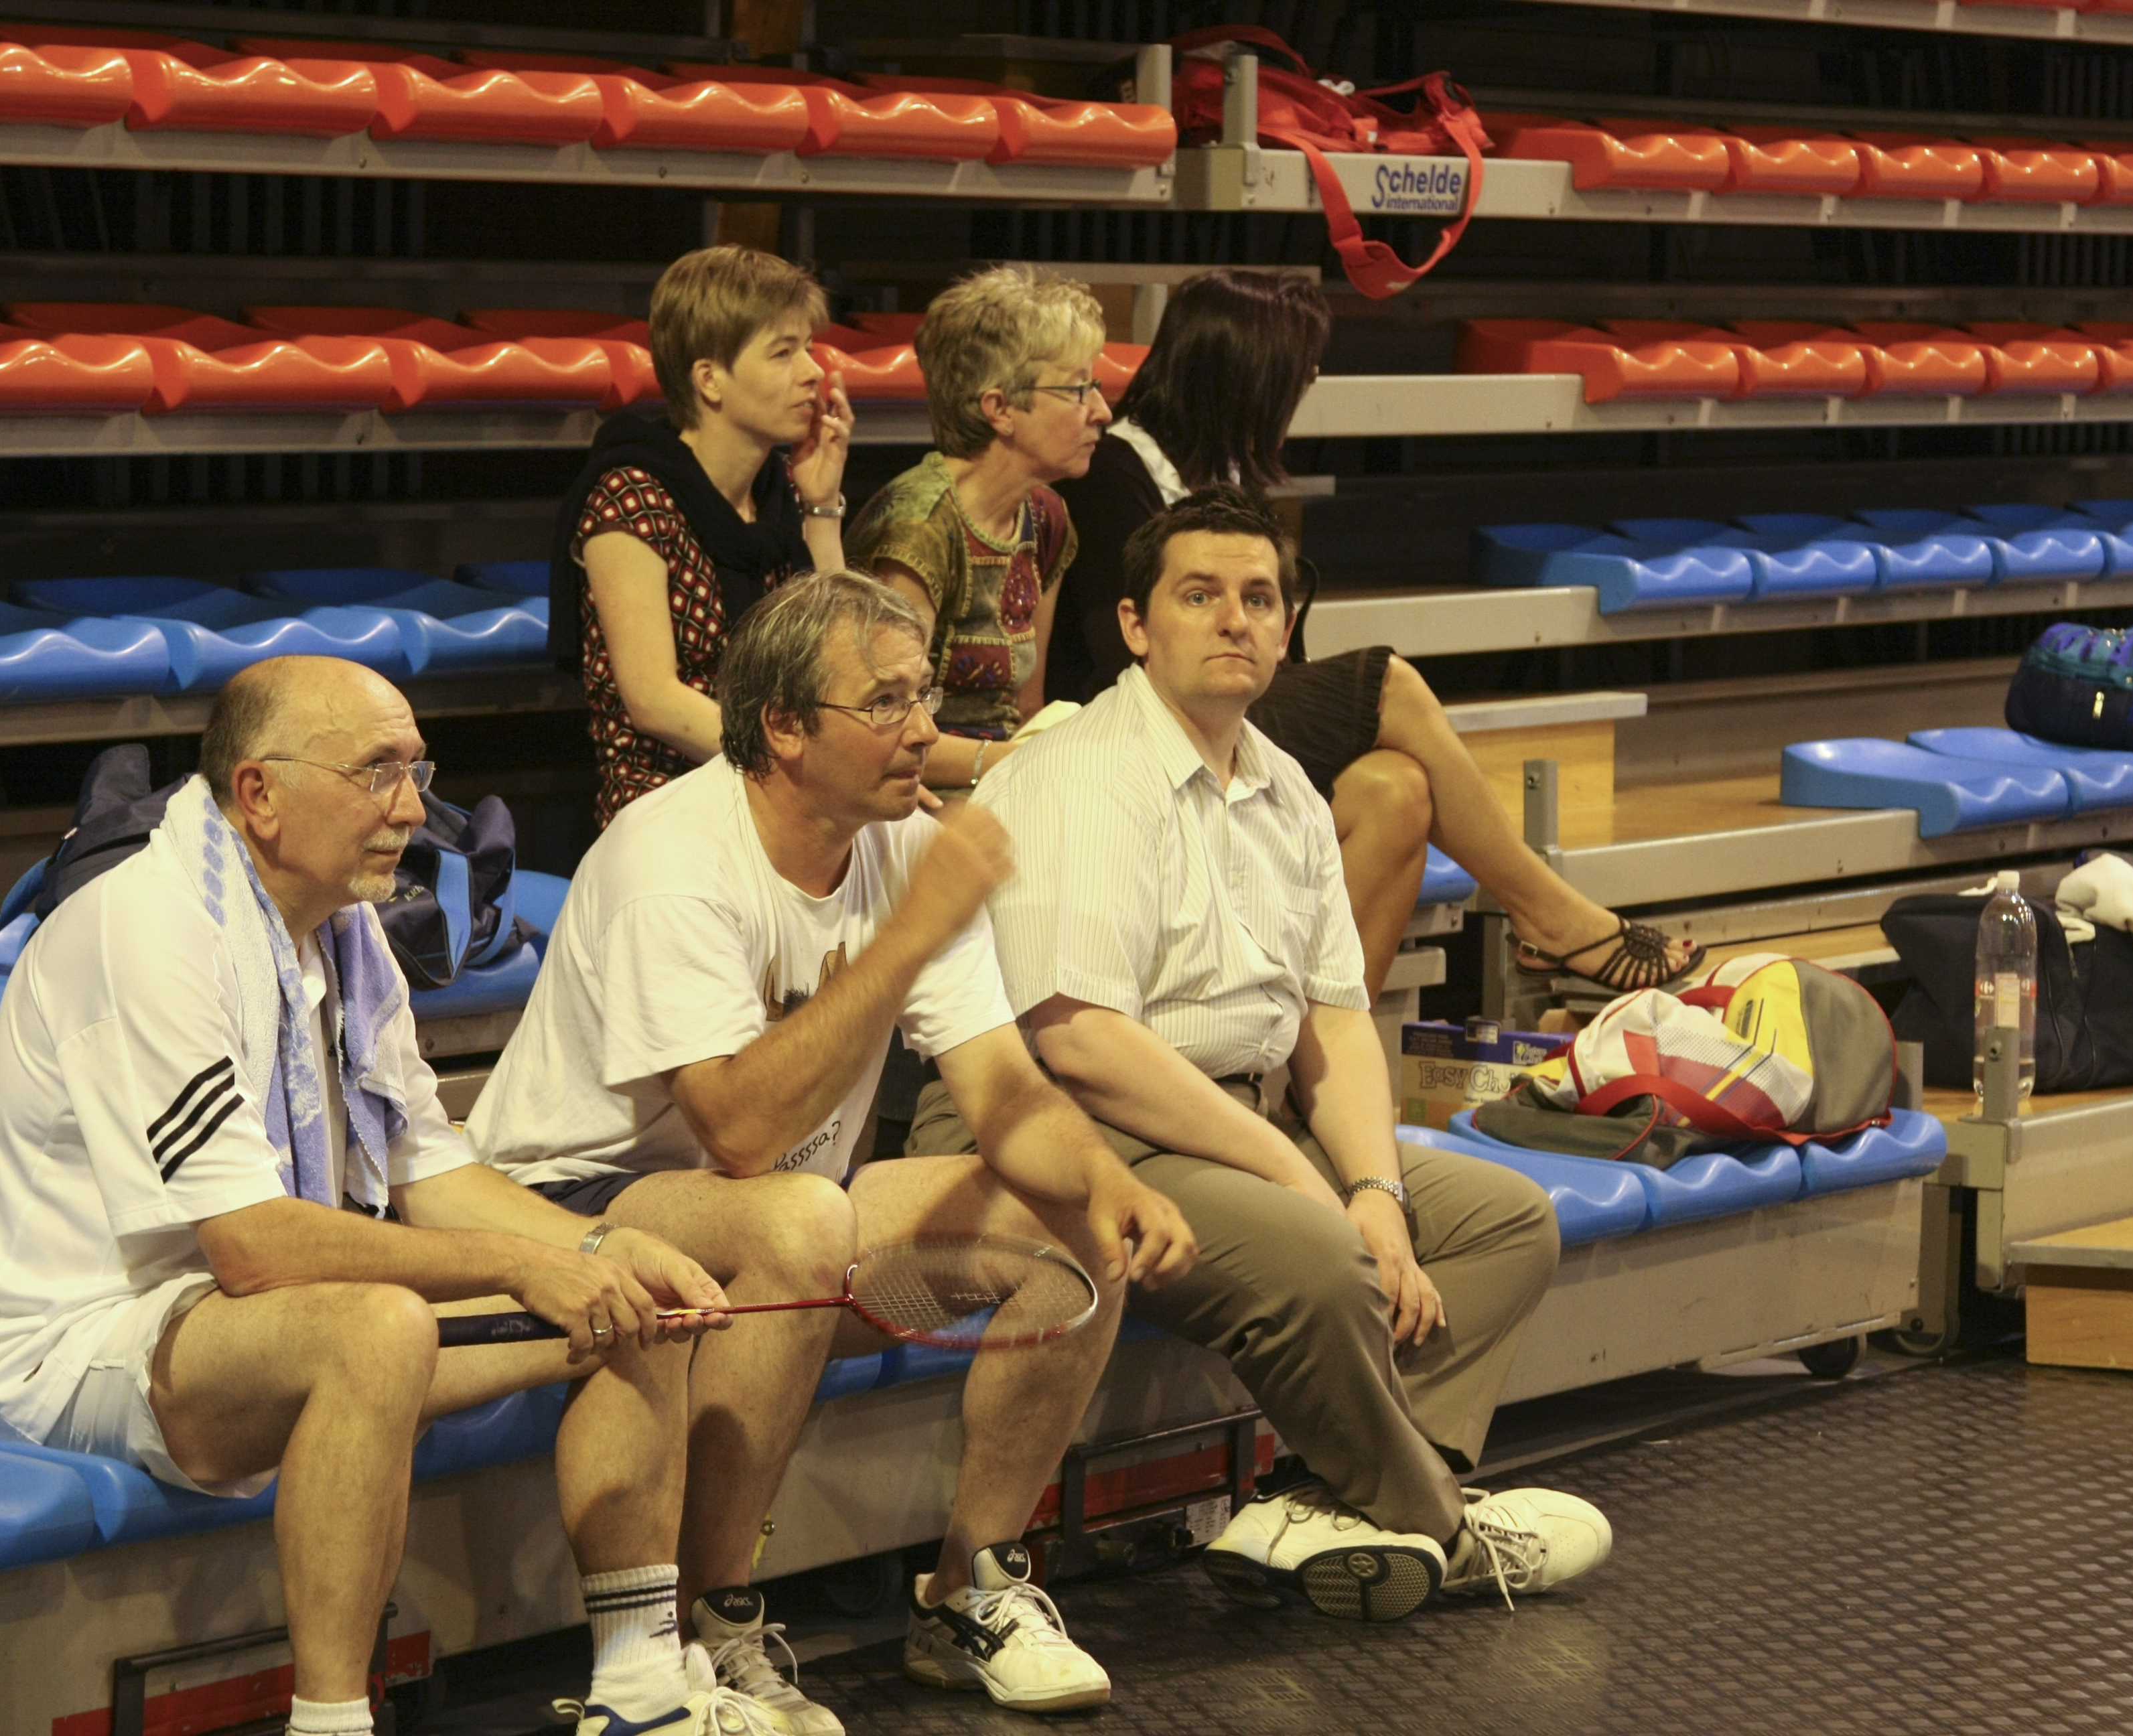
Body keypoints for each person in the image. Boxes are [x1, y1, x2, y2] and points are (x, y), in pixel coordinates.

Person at [0, 656, 764, 1736]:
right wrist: (527, 1266)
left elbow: (431, 1171)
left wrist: (595, 1246)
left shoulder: (344, 930)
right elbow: (253, 1249)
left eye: (417, 771)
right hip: (73, 1344)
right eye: (375, 772)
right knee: (375, 1330)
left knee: (633, 1301)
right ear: (260, 794)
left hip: (232, 1322)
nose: (411, 810)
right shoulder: (145, 929)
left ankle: (642, 1685)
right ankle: (331, 1724)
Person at [465, 571, 1198, 1725]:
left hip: (778, 1215)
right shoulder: (673, 857)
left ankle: (970, 1590)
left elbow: (1002, 1087)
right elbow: (737, 1132)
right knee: (801, 1215)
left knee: (1068, 1225)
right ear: (785, 727)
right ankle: (713, 1623)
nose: (925, 729)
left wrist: (1108, 1182)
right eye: (887, 702)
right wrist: (910, 934)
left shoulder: (901, 844)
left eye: (924, 693)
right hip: (574, 1204)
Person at [953, 488, 1613, 1621]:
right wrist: (1314, 1189)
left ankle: (1325, 1506)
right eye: (1199, 595)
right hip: (1077, 1129)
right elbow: (1083, 1040)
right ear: (1134, 624)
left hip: (1232, 1118)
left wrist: (1376, 1193)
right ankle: (1439, 1529)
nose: (1235, 619)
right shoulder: (1082, 778)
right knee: (1322, 1251)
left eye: (1259, 598)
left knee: (1504, 1223)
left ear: (1286, 626)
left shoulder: (1285, 786)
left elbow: (1334, 1019)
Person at [1045, 268, 1696, 998]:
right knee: (1392, 685)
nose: (1304, 390)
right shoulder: (1115, 473)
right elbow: (1126, 662)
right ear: (1249, 374)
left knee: (1400, 793)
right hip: (1146, 731)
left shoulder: (1221, 476)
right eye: (1301, 373)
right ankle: (1549, 916)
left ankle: (1320, 1050)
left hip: (1228, 718)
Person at [553, 243, 855, 828]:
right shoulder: (632, 496)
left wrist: (821, 504)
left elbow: (840, 649)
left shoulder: (780, 489)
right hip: (670, 807)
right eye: (784, 352)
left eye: (810, 349)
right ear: (710, 379)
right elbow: (654, 701)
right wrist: (806, 769)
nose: (814, 372)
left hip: (785, 793)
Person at [846, 264, 1107, 796]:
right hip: (908, 793)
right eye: (1079, 389)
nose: (1101, 411)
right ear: (1000, 409)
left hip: (998, 778)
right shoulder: (918, 528)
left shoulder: (1046, 517)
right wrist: (1024, 764)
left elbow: (1025, 708)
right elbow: (882, 731)